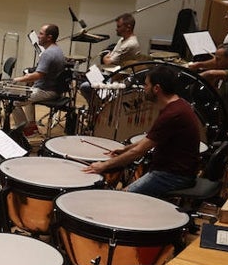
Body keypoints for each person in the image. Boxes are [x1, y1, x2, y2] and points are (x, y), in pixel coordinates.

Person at [82, 65, 201, 198]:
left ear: (156, 89)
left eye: (146, 85)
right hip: (173, 172)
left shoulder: (173, 114)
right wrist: (126, 149)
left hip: (171, 176)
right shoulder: (178, 105)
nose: (144, 89)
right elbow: (148, 140)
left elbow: (138, 152)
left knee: (121, 197)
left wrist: (103, 166)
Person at [10, 23, 67, 134]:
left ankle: (25, 130)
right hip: (55, 89)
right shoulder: (57, 49)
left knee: (14, 101)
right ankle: (31, 125)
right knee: (27, 93)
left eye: (41, 34)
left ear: (49, 37)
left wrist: (18, 79)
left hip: (47, 91)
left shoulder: (48, 54)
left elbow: (38, 75)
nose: (38, 36)